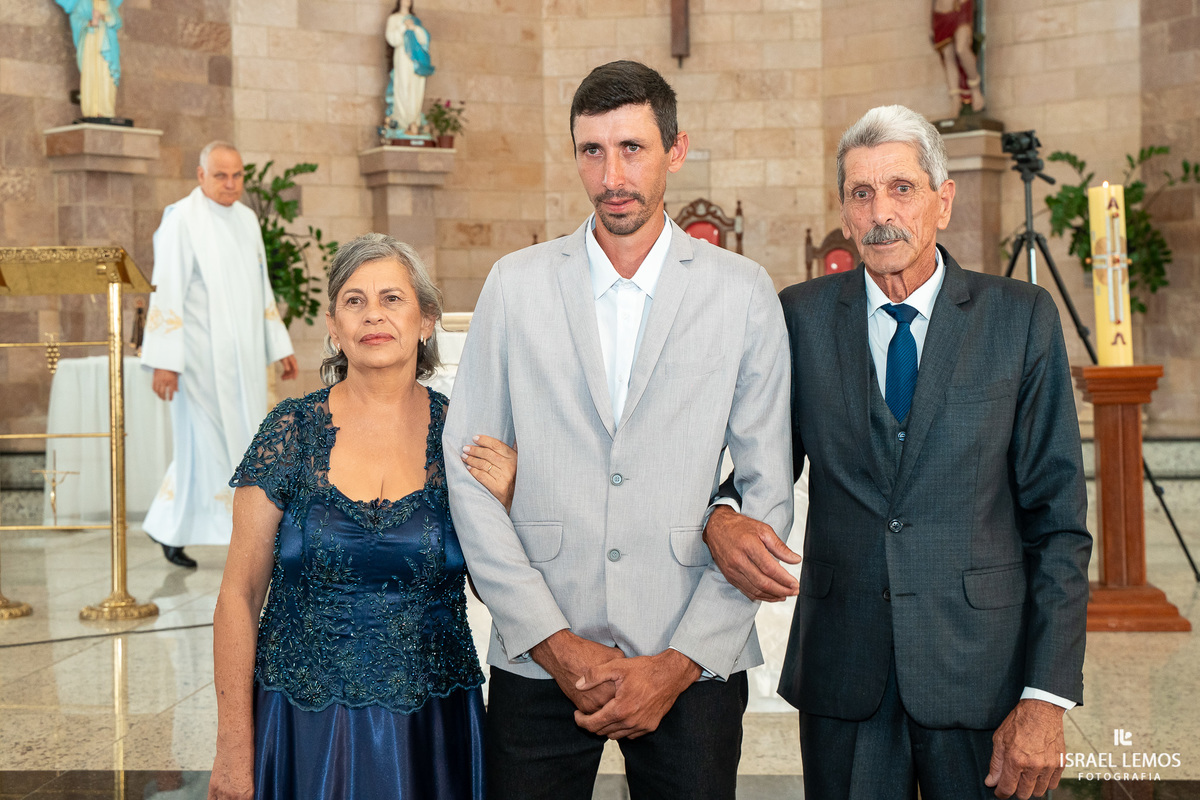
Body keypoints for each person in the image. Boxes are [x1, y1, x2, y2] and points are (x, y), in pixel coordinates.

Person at [704, 105, 1092, 800]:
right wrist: (723, 511)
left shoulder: (1020, 318)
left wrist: (1046, 696)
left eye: (902, 188)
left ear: (943, 200)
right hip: (844, 668)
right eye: (861, 193)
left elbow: (1058, 522)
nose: (881, 211)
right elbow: (762, 458)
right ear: (846, 213)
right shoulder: (800, 316)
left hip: (983, 670)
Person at [443, 61, 793, 800]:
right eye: (591, 151)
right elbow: (465, 469)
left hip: (691, 650)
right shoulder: (516, 283)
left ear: (676, 148)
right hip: (539, 649)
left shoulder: (742, 293)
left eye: (632, 148)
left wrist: (677, 663)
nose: (611, 175)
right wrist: (554, 642)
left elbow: (768, 490)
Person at [208, 233, 517, 800]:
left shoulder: (462, 437)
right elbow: (239, 595)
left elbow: (494, 588)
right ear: (333, 325)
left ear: (427, 320)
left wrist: (509, 503)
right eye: (354, 300)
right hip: (301, 724)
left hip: (432, 727)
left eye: (392, 299)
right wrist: (233, 745)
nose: (373, 314)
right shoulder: (290, 432)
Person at [141, 141, 298, 568]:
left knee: (240, 439)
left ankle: (174, 525)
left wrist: (278, 346)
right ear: (200, 175)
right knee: (203, 442)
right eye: (220, 175)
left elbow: (261, 288)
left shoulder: (246, 220)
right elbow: (167, 291)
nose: (230, 184)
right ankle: (182, 527)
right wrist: (166, 362)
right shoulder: (181, 221)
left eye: (237, 176)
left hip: (243, 361)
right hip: (199, 362)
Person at [55, 0, 123, 120]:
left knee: (107, 77)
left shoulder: (109, 4)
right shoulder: (84, 3)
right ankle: (92, 110)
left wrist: (104, 17)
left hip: (107, 48)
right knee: (91, 76)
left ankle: (106, 110)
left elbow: (117, 21)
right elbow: (75, 19)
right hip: (91, 45)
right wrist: (91, 23)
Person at [385, 0, 434, 136]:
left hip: (416, 61)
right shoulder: (394, 19)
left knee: (416, 90)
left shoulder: (415, 20)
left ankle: (414, 123)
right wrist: (403, 27)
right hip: (403, 59)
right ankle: (401, 123)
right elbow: (392, 39)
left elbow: (425, 39)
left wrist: (415, 29)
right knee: (402, 88)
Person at [933, 0, 985, 114]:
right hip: (940, 9)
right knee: (948, 56)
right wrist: (928, 25)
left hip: (960, 5)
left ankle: (975, 89)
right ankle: (955, 98)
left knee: (961, 49)